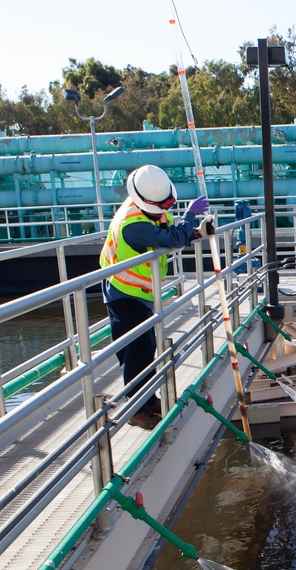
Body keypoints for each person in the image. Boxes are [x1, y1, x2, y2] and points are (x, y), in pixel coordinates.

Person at [100, 164, 214, 428]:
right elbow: (172, 239)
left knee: (145, 347)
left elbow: (170, 235)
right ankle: (136, 408)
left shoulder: (147, 212)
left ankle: (148, 398)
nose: (165, 210)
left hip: (137, 292)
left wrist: (196, 232)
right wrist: (189, 216)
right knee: (135, 351)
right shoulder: (133, 225)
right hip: (124, 292)